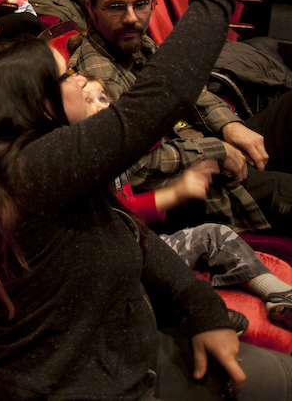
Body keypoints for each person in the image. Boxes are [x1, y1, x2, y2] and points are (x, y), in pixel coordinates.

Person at [0, 0, 292, 400]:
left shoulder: (54, 166)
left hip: (129, 351)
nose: (80, 77)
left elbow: (135, 241)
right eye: (65, 76)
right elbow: (162, 96)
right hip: (89, 386)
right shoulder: (35, 169)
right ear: (37, 105)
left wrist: (202, 308)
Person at [69, 0, 292, 236]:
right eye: (115, 7)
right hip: (201, 186)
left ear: (153, 2)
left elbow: (188, 86)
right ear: (91, 7)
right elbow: (132, 168)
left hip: (203, 144)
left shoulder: (137, 41)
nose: (130, 18)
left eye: (141, 4)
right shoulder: (97, 76)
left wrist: (229, 124)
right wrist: (219, 151)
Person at [83, 74, 292, 330]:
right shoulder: (85, 168)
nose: (103, 106)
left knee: (215, 235)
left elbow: (132, 210)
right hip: (121, 266)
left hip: (147, 245)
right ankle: (186, 318)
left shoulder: (113, 152)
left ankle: (277, 293)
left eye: (103, 98)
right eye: (88, 101)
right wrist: (174, 194)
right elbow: (121, 218)